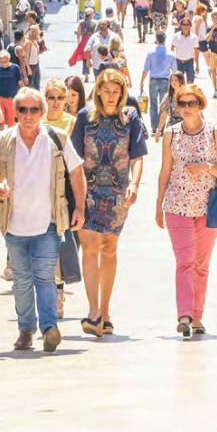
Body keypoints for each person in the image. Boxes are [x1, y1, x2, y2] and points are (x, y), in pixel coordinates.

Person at [0, 88, 86, 353]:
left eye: (34, 110)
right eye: (22, 110)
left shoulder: (56, 138)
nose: (28, 115)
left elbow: (76, 171)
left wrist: (80, 207)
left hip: (48, 224)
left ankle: (49, 328)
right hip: (14, 226)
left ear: (42, 112)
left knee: (45, 276)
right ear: (15, 112)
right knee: (22, 280)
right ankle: (26, 329)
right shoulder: (3, 141)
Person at [71, 69, 147, 337]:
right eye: (107, 91)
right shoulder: (85, 116)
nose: (111, 96)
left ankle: (105, 312)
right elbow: (74, 157)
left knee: (109, 249)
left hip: (117, 192)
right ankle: (94, 313)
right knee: (90, 247)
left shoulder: (130, 117)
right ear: (99, 92)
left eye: (116, 91)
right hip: (87, 190)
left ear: (122, 93)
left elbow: (137, 156)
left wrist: (135, 184)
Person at [156, 84, 217, 337]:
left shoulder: (214, 132)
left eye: (192, 103)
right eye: (182, 104)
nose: (187, 108)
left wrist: (206, 167)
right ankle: (184, 315)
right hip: (176, 206)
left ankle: (197, 316)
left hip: (208, 208)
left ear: (201, 105)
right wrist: (158, 202)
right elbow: (165, 170)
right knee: (184, 262)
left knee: (201, 264)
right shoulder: (171, 134)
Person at [140, 32, 178, 133]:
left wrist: (142, 81)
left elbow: (146, 69)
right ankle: (161, 128)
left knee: (153, 103)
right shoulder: (171, 54)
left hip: (153, 80)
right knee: (163, 105)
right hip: (165, 81)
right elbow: (174, 71)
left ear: (156, 39)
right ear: (165, 40)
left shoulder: (151, 53)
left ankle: (154, 127)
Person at [0, 49, 24, 128]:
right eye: (1, 62)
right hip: (0, 98)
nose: (3, 63)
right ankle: (1, 135)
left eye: (5, 61)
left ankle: (10, 135)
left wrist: (22, 95)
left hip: (12, 98)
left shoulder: (15, 68)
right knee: (1, 121)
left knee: (11, 122)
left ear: (9, 59)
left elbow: (20, 82)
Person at [155, 71, 186, 141]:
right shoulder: (169, 96)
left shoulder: (187, 95)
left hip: (185, 126)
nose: (173, 82)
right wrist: (158, 131)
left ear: (181, 81)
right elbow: (163, 115)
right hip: (172, 126)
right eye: (172, 80)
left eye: (176, 80)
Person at [171, 18, 197, 83]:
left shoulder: (194, 37)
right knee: (178, 83)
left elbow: (196, 51)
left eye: (187, 24)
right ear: (181, 25)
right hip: (178, 62)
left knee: (190, 83)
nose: (185, 26)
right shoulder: (176, 36)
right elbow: (172, 49)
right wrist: (172, 63)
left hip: (189, 62)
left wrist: (197, 64)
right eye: (184, 24)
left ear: (190, 26)